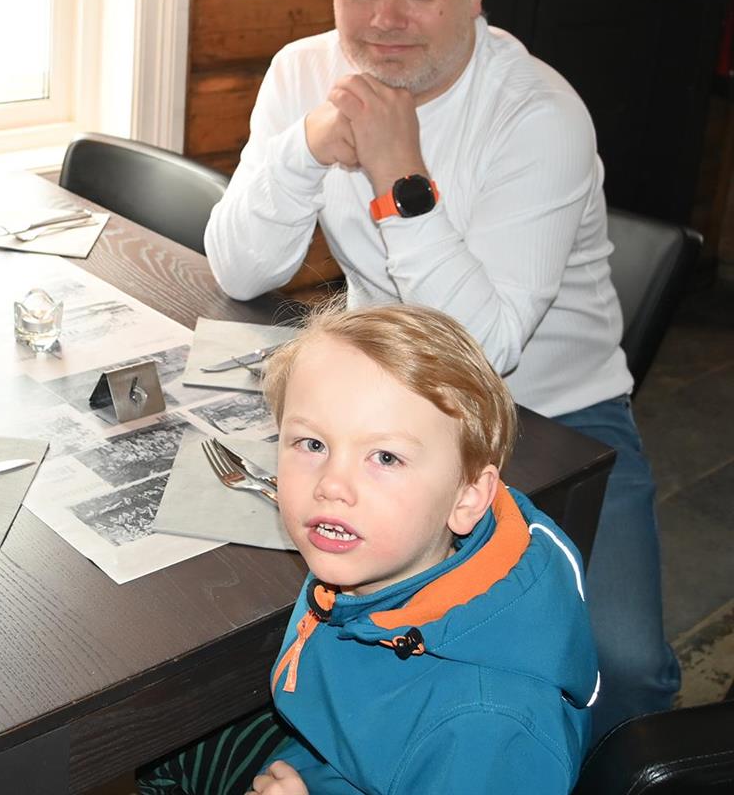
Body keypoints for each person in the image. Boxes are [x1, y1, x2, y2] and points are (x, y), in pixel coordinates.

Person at [202, 0, 678, 737]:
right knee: (245, 605)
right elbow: (240, 270)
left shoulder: (539, 112)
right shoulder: (303, 70)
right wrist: (306, 147)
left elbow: (482, 351)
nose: (383, 19)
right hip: (380, 399)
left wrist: (398, 173)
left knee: (624, 666)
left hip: (553, 415)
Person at [146, 303, 600, 794]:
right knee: (157, 749)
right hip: (323, 753)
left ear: (467, 499)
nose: (332, 485)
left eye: (385, 457)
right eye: (312, 444)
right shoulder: (376, 557)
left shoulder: (486, 727)